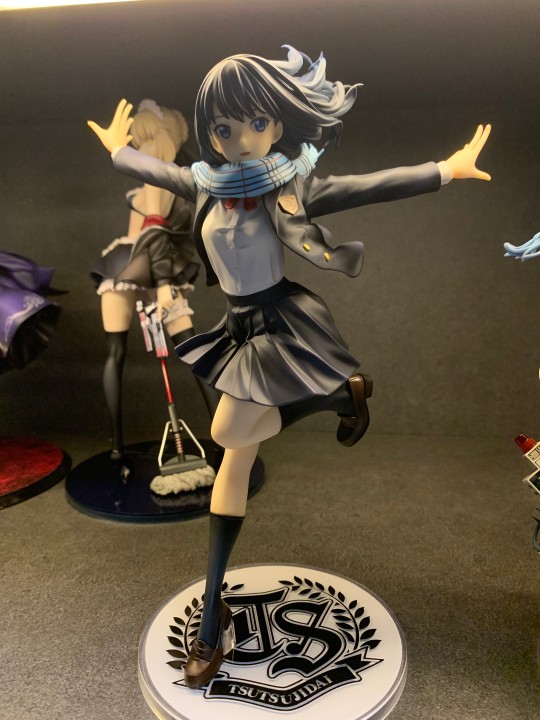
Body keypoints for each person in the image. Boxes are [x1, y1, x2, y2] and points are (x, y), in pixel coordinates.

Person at [88, 45, 491, 688]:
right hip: (239, 324)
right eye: (225, 127)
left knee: (225, 434)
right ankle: (213, 616)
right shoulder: (206, 182)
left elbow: (370, 186)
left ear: (277, 123)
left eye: (255, 123)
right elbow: (152, 169)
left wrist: (446, 169)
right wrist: (117, 150)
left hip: (281, 321)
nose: (240, 140)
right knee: (234, 459)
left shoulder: (291, 186)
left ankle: (211, 621)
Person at [90, 100, 215, 462]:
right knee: (187, 353)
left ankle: (118, 447)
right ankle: (225, 438)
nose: (143, 147)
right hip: (137, 267)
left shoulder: (162, 178)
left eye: (148, 139)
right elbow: (154, 232)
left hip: (135, 268)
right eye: (139, 142)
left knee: (181, 352)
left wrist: (161, 285)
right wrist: (162, 283)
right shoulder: (163, 179)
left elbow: (156, 231)